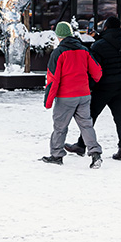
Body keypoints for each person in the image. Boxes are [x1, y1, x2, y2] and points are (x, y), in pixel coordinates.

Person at [66, 16, 121, 161]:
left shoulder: (99, 46)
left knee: (91, 116)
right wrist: (97, 36)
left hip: (103, 86)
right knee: (120, 118)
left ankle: (81, 145)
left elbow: (93, 67)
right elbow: (109, 44)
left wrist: (89, 87)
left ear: (106, 27)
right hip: (119, 85)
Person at [41, 21, 102, 168]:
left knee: (60, 127)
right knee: (86, 126)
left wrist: (48, 101)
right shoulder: (84, 50)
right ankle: (95, 154)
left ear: (59, 36)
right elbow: (97, 73)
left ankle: (56, 155)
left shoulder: (58, 53)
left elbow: (53, 79)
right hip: (84, 95)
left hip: (66, 97)